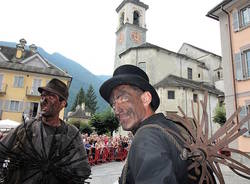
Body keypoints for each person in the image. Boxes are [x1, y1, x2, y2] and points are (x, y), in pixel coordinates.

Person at [99, 65, 201, 184]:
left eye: (122, 98)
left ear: (146, 99)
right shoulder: (167, 127)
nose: (116, 110)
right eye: (113, 104)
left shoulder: (147, 137)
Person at [0, 78, 91, 184]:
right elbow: (1, 150)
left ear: (62, 104)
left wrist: (59, 170)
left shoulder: (72, 134)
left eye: (51, 96)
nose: (43, 100)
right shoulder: (26, 128)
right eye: (42, 96)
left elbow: (83, 170)